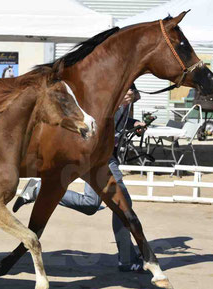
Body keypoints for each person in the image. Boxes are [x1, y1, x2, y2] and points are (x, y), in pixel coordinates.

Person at [13, 85, 147, 272]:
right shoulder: (110, 99)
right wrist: (117, 105)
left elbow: (119, 122)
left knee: (91, 204)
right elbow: (96, 122)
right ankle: (126, 259)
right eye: (127, 91)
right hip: (100, 157)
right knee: (122, 204)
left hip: (109, 155)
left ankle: (36, 190)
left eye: (131, 91)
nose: (130, 94)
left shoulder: (128, 100)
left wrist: (134, 124)